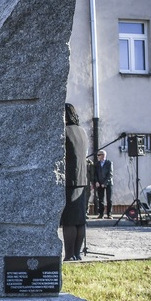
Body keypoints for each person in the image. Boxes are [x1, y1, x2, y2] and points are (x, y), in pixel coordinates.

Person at [62, 103, 89, 261]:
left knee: (69, 220)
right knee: (80, 219)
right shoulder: (82, 131)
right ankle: (77, 254)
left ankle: (69, 254)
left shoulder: (64, 132)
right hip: (82, 179)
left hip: (70, 179)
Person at [93, 149, 113, 219]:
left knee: (109, 199)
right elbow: (95, 174)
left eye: (99, 155)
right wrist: (97, 182)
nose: (98, 156)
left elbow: (110, 174)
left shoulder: (109, 163)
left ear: (103, 155)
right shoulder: (97, 164)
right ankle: (101, 214)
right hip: (99, 183)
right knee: (100, 199)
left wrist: (105, 183)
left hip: (108, 183)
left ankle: (109, 214)